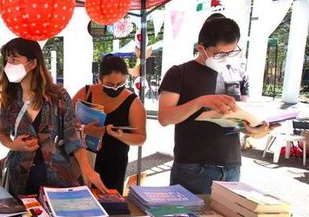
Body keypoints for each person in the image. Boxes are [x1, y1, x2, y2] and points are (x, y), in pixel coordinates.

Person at [158, 16, 271, 194]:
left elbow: (239, 118)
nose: (226, 58)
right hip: (193, 167)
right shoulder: (179, 73)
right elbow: (164, 118)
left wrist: (253, 130)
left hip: (232, 166)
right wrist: (200, 102)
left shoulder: (236, 73)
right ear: (201, 48)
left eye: (232, 52)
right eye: (220, 54)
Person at [0, 37, 109, 196]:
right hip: (20, 176)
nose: (9, 65)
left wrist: (87, 169)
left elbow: (74, 137)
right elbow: (2, 133)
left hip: (58, 176)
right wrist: (14, 145)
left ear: (33, 63)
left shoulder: (58, 97)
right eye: (7, 59)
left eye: (15, 59)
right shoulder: (9, 98)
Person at [73, 54, 147, 194]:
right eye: (109, 85)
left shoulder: (133, 102)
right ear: (99, 79)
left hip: (114, 163)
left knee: (110, 203)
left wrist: (119, 135)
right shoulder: (86, 92)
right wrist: (84, 129)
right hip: (83, 160)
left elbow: (141, 138)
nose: (115, 88)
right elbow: (65, 122)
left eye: (120, 84)